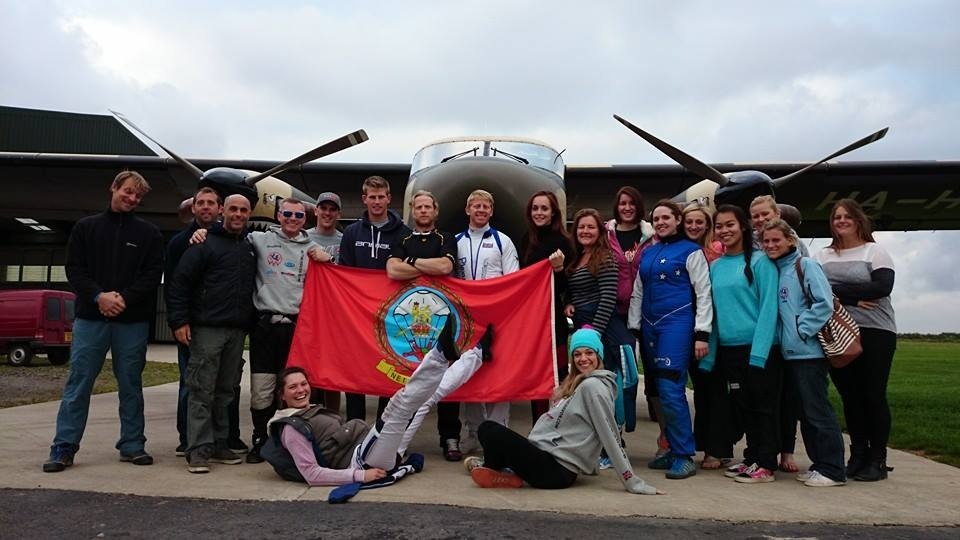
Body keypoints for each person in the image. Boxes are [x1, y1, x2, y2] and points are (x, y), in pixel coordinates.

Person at [263, 319, 493, 488]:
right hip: (363, 461)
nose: (301, 390)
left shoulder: (312, 411)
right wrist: (359, 476)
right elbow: (311, 474)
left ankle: (477, 354)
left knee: (425, 400)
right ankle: (439, 354)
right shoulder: (291, 428)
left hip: (378, 449)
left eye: (303, 384)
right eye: (293, 387)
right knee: (399, 406)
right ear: (281, 395)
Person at [43, 170, 164, 473]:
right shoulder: (86, 228)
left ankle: (132, 444)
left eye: (138, 196)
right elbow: (75, 269)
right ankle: (64, 446)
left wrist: (124, 298)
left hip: (132, 321)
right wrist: (99, 297)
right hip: (90, 318)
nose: (132, 198)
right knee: (79, 382)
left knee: (131, 384)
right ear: (113, 188)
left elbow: (152, 275)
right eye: (128, 191)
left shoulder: (149, 233)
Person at [464, 327, 660, 495]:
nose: (583, 359)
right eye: (577, 354)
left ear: (599, 355)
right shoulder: (577, 384)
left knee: (489, 429)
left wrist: (631, 480)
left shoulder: (594, 388)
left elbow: (609, 434)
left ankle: (494, 468)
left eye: (589, 353)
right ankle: (503, 472)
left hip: (555, 470)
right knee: (491, 431)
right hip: (547, 459)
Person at [166, 194, 258, 473]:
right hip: (207, 328)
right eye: (233, 209)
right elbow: (179, 283)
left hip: (236, 331)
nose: (238, 214)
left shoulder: (250, 247)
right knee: (201, 389)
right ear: (222, 211)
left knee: (225, 391)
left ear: (249, 213)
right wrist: (179, 321)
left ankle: (219, 442)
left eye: (243, 210)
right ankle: (197, 448)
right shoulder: (203, 244)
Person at [627, 199, 712, 480]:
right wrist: (634, 327)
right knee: (659, 392)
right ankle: (672, 448)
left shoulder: (691, 251)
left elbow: (704, 293)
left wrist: (702, 333)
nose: (661, 222)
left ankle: (684, 455)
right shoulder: (649, 252)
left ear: (678, 220)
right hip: (649, 327)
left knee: (671, 388)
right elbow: (638, 291)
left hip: (677, 325)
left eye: (666, 217)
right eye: (656, 219)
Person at [814, 199, 896, 481]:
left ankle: (878, 459)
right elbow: (816, 288)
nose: (841, 221)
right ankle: (858, 453)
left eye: (847, 216)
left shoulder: (875, 251)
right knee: (850, 395)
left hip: (875, 329)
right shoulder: (823, 255)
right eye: (836, 217)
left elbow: (883, 287)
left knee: (873, 394)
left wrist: (838, 292)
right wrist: (854, 298)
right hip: (837, 332)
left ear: (859, 220)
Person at [762, 219, 847, 487]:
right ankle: (819, 464)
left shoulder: (805, 265)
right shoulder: (776, 270)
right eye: (766, 241)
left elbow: (824, 303)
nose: (770, 245)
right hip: (788, 353)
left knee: (817, 411)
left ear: (790, 240)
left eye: (776, 240)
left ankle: (833, 469)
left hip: (808, 353)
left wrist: (802, 330)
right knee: (805, 413)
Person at [699, 205, 780, 482]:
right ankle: (752, 458)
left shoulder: (761, 262)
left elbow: (769, 308)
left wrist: (759, 353)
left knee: (763, 406)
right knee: (742, 405)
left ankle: (766, 463)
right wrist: (710, 356)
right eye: (719, 226)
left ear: (743, 226)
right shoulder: (716, 267)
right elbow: (713, 313)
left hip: (759, 349)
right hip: (729, 350)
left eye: (730, 224)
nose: (725, 230)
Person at [385, 190, 464, 460]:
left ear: (435, 210)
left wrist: (411, 262)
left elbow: (444, 267)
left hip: (441, 314)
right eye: (418, 207)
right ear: (413, 210)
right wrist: (424, 267)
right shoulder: (402, 238)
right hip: (408, 314)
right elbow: (392, 270)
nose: (423, 211)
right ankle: (394, 437)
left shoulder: (446, 238)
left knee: (445, 375)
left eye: (427, 206)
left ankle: (450, 437)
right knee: (403, 376)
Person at [338, 176, 412, 423]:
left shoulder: (404, 234)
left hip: (391, 314)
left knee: (389, 370)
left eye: (381, 197)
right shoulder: (351, 233)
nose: (377, 201)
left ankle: (383, 427)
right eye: (372, 197)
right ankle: (355, 426)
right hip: (357, 313)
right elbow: (344, 273)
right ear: (364, 199)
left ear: (389, 199)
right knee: (355, 369)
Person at [455, 189, 520, 459]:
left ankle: (498, 431)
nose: (481, 210)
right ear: (467, 209)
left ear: (491, 211)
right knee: (470, 375)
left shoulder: (503, 241)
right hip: (468, 321)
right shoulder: (456, 241)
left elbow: (514, 280)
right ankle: (473, 433)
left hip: (497, 319)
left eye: (485, 206)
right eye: (476, 206)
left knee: (498, 375)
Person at [749, 194, 803, 472]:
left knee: (788, 396)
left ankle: (787, 451)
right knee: (767, 397)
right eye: (755, 216)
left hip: (790, 331)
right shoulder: (752, 246)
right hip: (768, 332)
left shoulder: (793, 244)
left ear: (777, 214)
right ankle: (759, 452)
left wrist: (802, 327)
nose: (760, 220)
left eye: (765, 214)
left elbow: (808, 282)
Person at [519, 191, 574, 421]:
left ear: (553, 213)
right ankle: (539, 427)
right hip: (532, 319)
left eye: (544, 208)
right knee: (536, 375)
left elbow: (565, 286)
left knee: (559, 373)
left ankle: (559, 425)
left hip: (553, 319)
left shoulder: (564, 242)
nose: (539, 213)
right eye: (535, 208)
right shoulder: (526, 240)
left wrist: (559, 269)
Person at [604, 187, 654, 438]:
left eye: (632, 203)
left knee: (650, 369)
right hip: (614, 310)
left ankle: (657, 427)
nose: (627, 208)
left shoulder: (651, 235)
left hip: (646, 309)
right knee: (619, 365)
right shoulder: (606, 234)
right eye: (622, 203)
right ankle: (618, 426)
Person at [307, 191, 343, 264]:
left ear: (339, 214)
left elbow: (346, 270)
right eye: (323, 208)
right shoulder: (303, 237)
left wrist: (330, 259)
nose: (327, 213)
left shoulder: (345, 241)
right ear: (316, 211)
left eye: (332, 209)